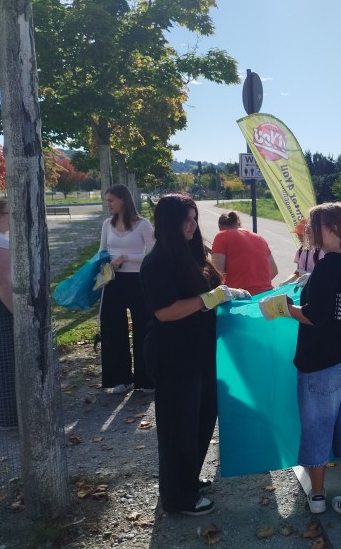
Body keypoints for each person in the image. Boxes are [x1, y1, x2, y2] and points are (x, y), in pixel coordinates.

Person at [139, 193, 249, 516]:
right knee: (179, 428)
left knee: (202, 418)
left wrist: (228, 296)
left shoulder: (193, 251)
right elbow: (165, 312)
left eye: (194, 217)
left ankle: (186, 480)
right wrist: (208, 299)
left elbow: (213, 289)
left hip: (202, 353)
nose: (191, 225)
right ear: (169, 223)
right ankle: (178, 499)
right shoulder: (156, 262)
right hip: (174, 357)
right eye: (185, 219)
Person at [276, 202, 341, 525]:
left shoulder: (326, 267)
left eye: (312, 227)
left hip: (321, 362)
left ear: (329, 228)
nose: (308, 234)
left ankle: (317, 496)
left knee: (318, 429)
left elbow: (314, 316)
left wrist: (286, 307)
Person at [99, 184, 155, 394]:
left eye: (111, 200)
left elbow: (152, 255)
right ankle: (120, 378)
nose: (108, 204)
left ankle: (146, 379)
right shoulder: (107, 224)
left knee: (143, 328)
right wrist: (103, 268)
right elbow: (102, 251)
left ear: (123, 199)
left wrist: (127, 258)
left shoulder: (142, 225)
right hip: (113, 282)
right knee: (112, 329)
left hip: (138, 282)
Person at [0, 199, 16, 429]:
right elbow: (0, 281)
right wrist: (16, 312)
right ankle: (8, 414)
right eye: (9, 213)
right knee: (5, 361)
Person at [211, 211, 278, 295]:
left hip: (240, 298)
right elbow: (274, 271)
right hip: (266, 295)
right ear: (239, 223)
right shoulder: (259, 238)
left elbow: (217, 274)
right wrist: (257, 284)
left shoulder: (221, 236)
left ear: (221, 227)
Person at [280, 218, 324, 286]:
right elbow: (298, 272)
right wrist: (287, 281)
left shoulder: (322, 252)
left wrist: (311, 278)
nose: (299, 238)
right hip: (302, 289)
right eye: (298, 235)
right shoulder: (300, 251)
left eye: (301, 235)